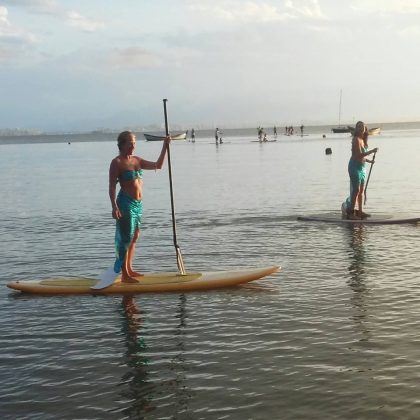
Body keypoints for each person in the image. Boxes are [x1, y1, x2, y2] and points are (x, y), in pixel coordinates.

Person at [108, 131, 171, 283]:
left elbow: (158, 165)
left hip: (138, 204)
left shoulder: (137, 160)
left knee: (134, 237)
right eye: (129, 143)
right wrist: (114, 207)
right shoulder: (116, 163)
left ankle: (129, 269)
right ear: (122, 145)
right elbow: (111, 187)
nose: (133, 146)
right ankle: (124, 275)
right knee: (125, 238)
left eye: (134, 143)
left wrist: (165, 147)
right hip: (125, 203)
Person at [343, 121, 378, 220]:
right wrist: (371, 151)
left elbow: (361, 156)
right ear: (356, 129)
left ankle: (360, 212)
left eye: (362, 126)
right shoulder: (355, 140)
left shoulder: (363, 140)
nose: (360, 128)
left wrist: (369, 161)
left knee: (361, 191)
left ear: (365, 129)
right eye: (358, 126)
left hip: (362, 168)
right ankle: (350, 213)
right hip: (354, 167)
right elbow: (357, 155)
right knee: (356, 190)